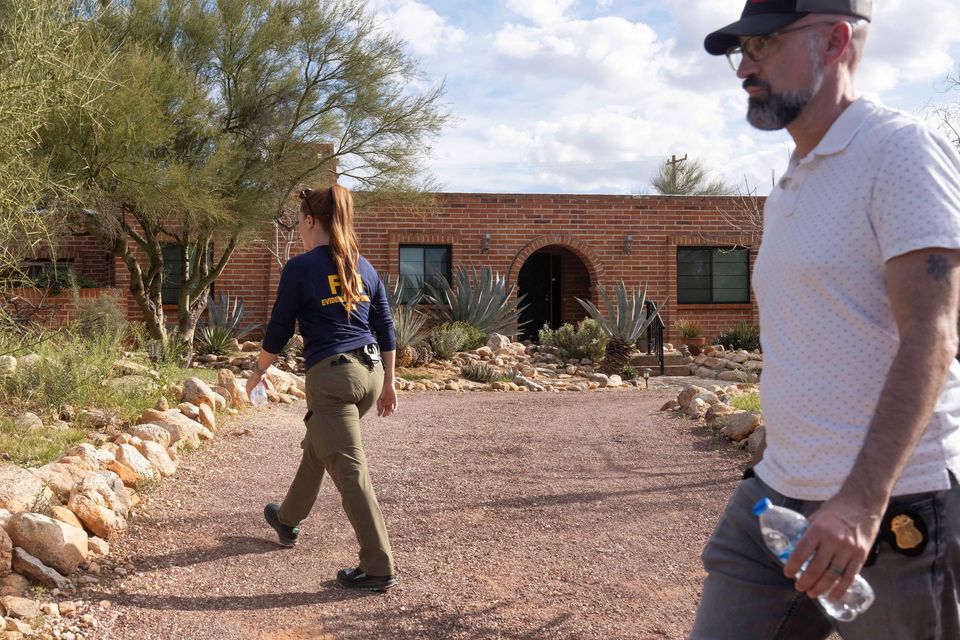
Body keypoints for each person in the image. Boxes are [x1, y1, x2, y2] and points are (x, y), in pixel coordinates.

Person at [693, 1, 960, 638]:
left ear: (834, 41)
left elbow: (935, 330)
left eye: (762, 47)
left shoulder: (899, 151)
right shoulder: (793, 180)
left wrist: (863, 502)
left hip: (894, 508)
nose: (743, 70)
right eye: (743, 51)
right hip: (776, 496)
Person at [246, 184, 400, 592]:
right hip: (370, 377)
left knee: (350, 469)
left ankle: (377, 566)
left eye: (300, 221)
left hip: (333, 378)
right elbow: (385, 327)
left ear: (311, 220)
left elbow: (279, 329)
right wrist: (391, 384)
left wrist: (258, 371)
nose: (299, 228)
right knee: (320, 443)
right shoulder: (364, 267)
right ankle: (286, 519)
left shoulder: (300, 268)